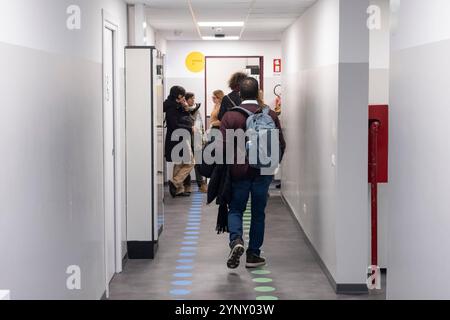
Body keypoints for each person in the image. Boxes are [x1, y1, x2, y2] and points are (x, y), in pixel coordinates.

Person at [220, 77, 286, 269]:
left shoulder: (230, 116)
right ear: (258, 93)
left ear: (239, 93)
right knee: (258, 214)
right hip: (262, 172)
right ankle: (253, 255)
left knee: (236, 209)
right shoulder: (270, 115)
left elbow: (222, 147)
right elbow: (281, 144)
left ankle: (236, 241)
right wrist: (271, 166)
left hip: (239, 172)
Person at [164, 86, 195, 198]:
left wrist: (185, 107)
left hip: (179, 137)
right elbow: (174, 125)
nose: (184, 98)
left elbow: (187, 119)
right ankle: (176, 182)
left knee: (179, 162)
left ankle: (178, 190)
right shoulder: (172, 108)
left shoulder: (177, 106)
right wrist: (189, 129)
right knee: (190, 162)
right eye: (183, 95)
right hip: (178, 137)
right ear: (179, 96)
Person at [183, 92, 208, 194]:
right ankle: (187, 185)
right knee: (186, 163)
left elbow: (200, 125)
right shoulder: (183, 110)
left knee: (198, 164)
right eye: (191, 99)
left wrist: (202, 138)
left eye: (194, 98)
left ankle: (201, 184)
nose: (193, 100)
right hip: (186, 139)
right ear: (186, 100)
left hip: (196, 139)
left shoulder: (197, 110)